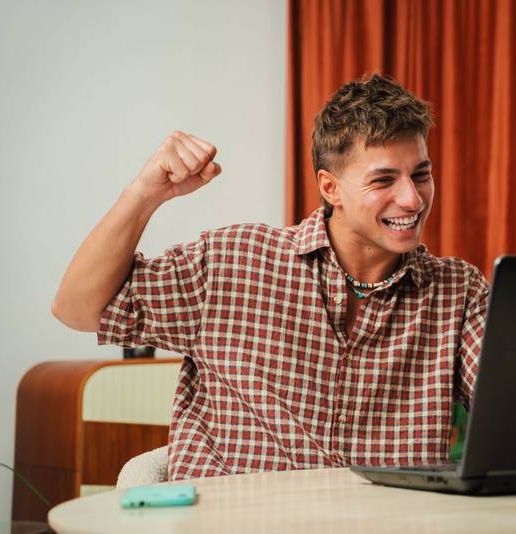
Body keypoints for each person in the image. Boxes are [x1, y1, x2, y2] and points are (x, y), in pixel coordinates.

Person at [52, 74, 488, 480]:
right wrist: (146, 192)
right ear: (330, 187)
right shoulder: (234, 262)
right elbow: (77, 310)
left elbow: (513, 411)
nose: (412, 199)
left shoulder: (458, 291)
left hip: (389, 521)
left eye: (421, 175)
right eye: (384, 180)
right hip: (234, 519)